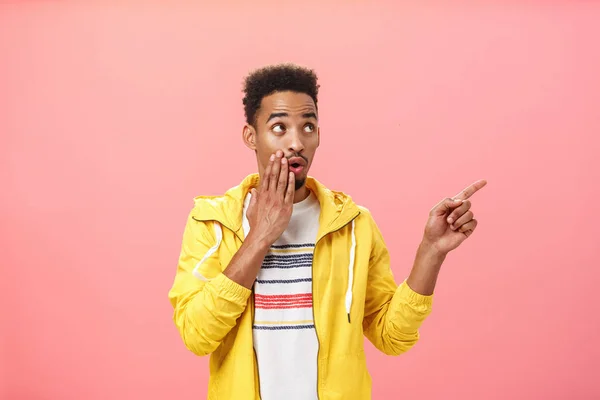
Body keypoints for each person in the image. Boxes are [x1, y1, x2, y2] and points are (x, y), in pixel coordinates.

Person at [168, 63, 486, 400]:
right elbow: (196, 334)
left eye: (308, 126)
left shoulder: (352, 225)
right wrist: (260, 236)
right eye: (279, 127)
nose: (297, 142)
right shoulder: (213, 222)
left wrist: (430, 252)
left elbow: (391, 336)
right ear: (251, 136)